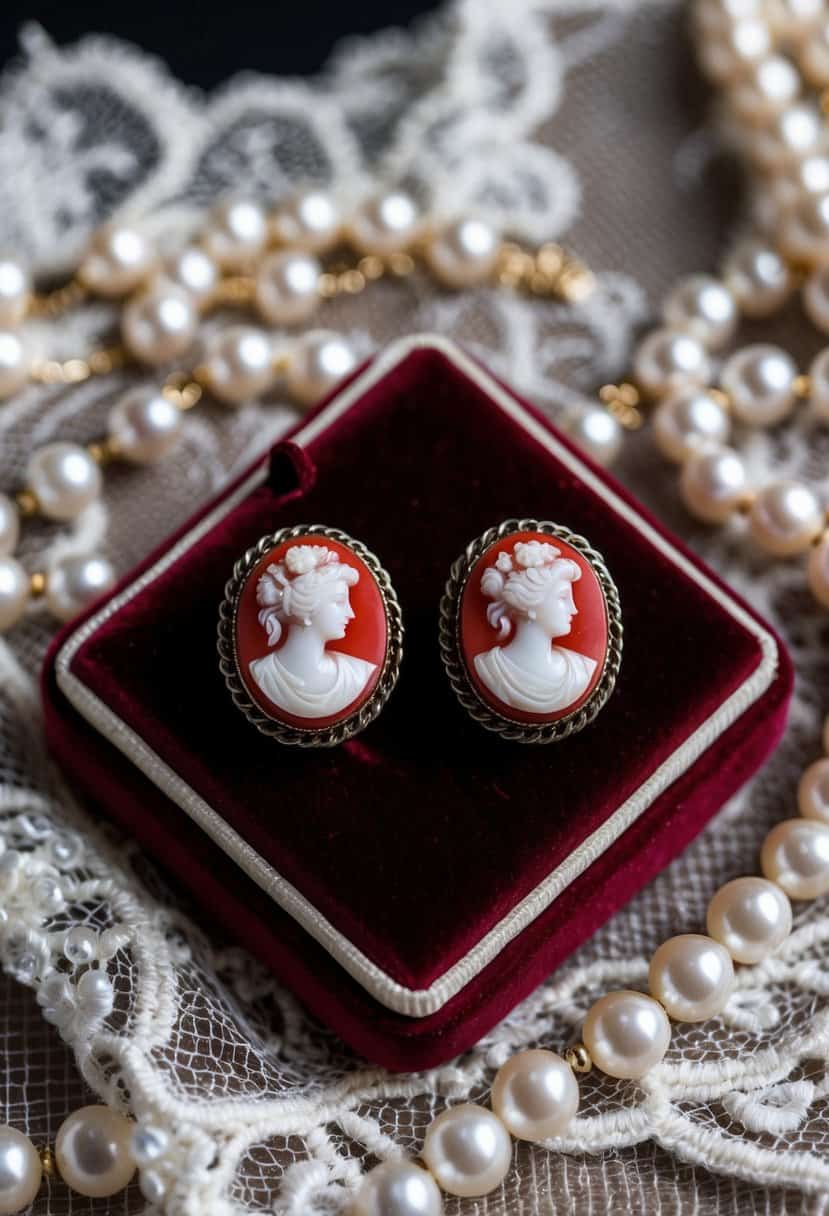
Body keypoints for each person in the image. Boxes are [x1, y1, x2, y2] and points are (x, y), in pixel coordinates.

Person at [250, 544, 376, 718]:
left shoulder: (357, 673)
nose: (351, 613)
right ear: (306, 610)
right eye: (339, 601)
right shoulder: (261, 674)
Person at [474, 539, 596, 715]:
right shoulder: (488, 669)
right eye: (563, 597)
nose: (573, 608)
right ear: (529, 606)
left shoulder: (580, 670)